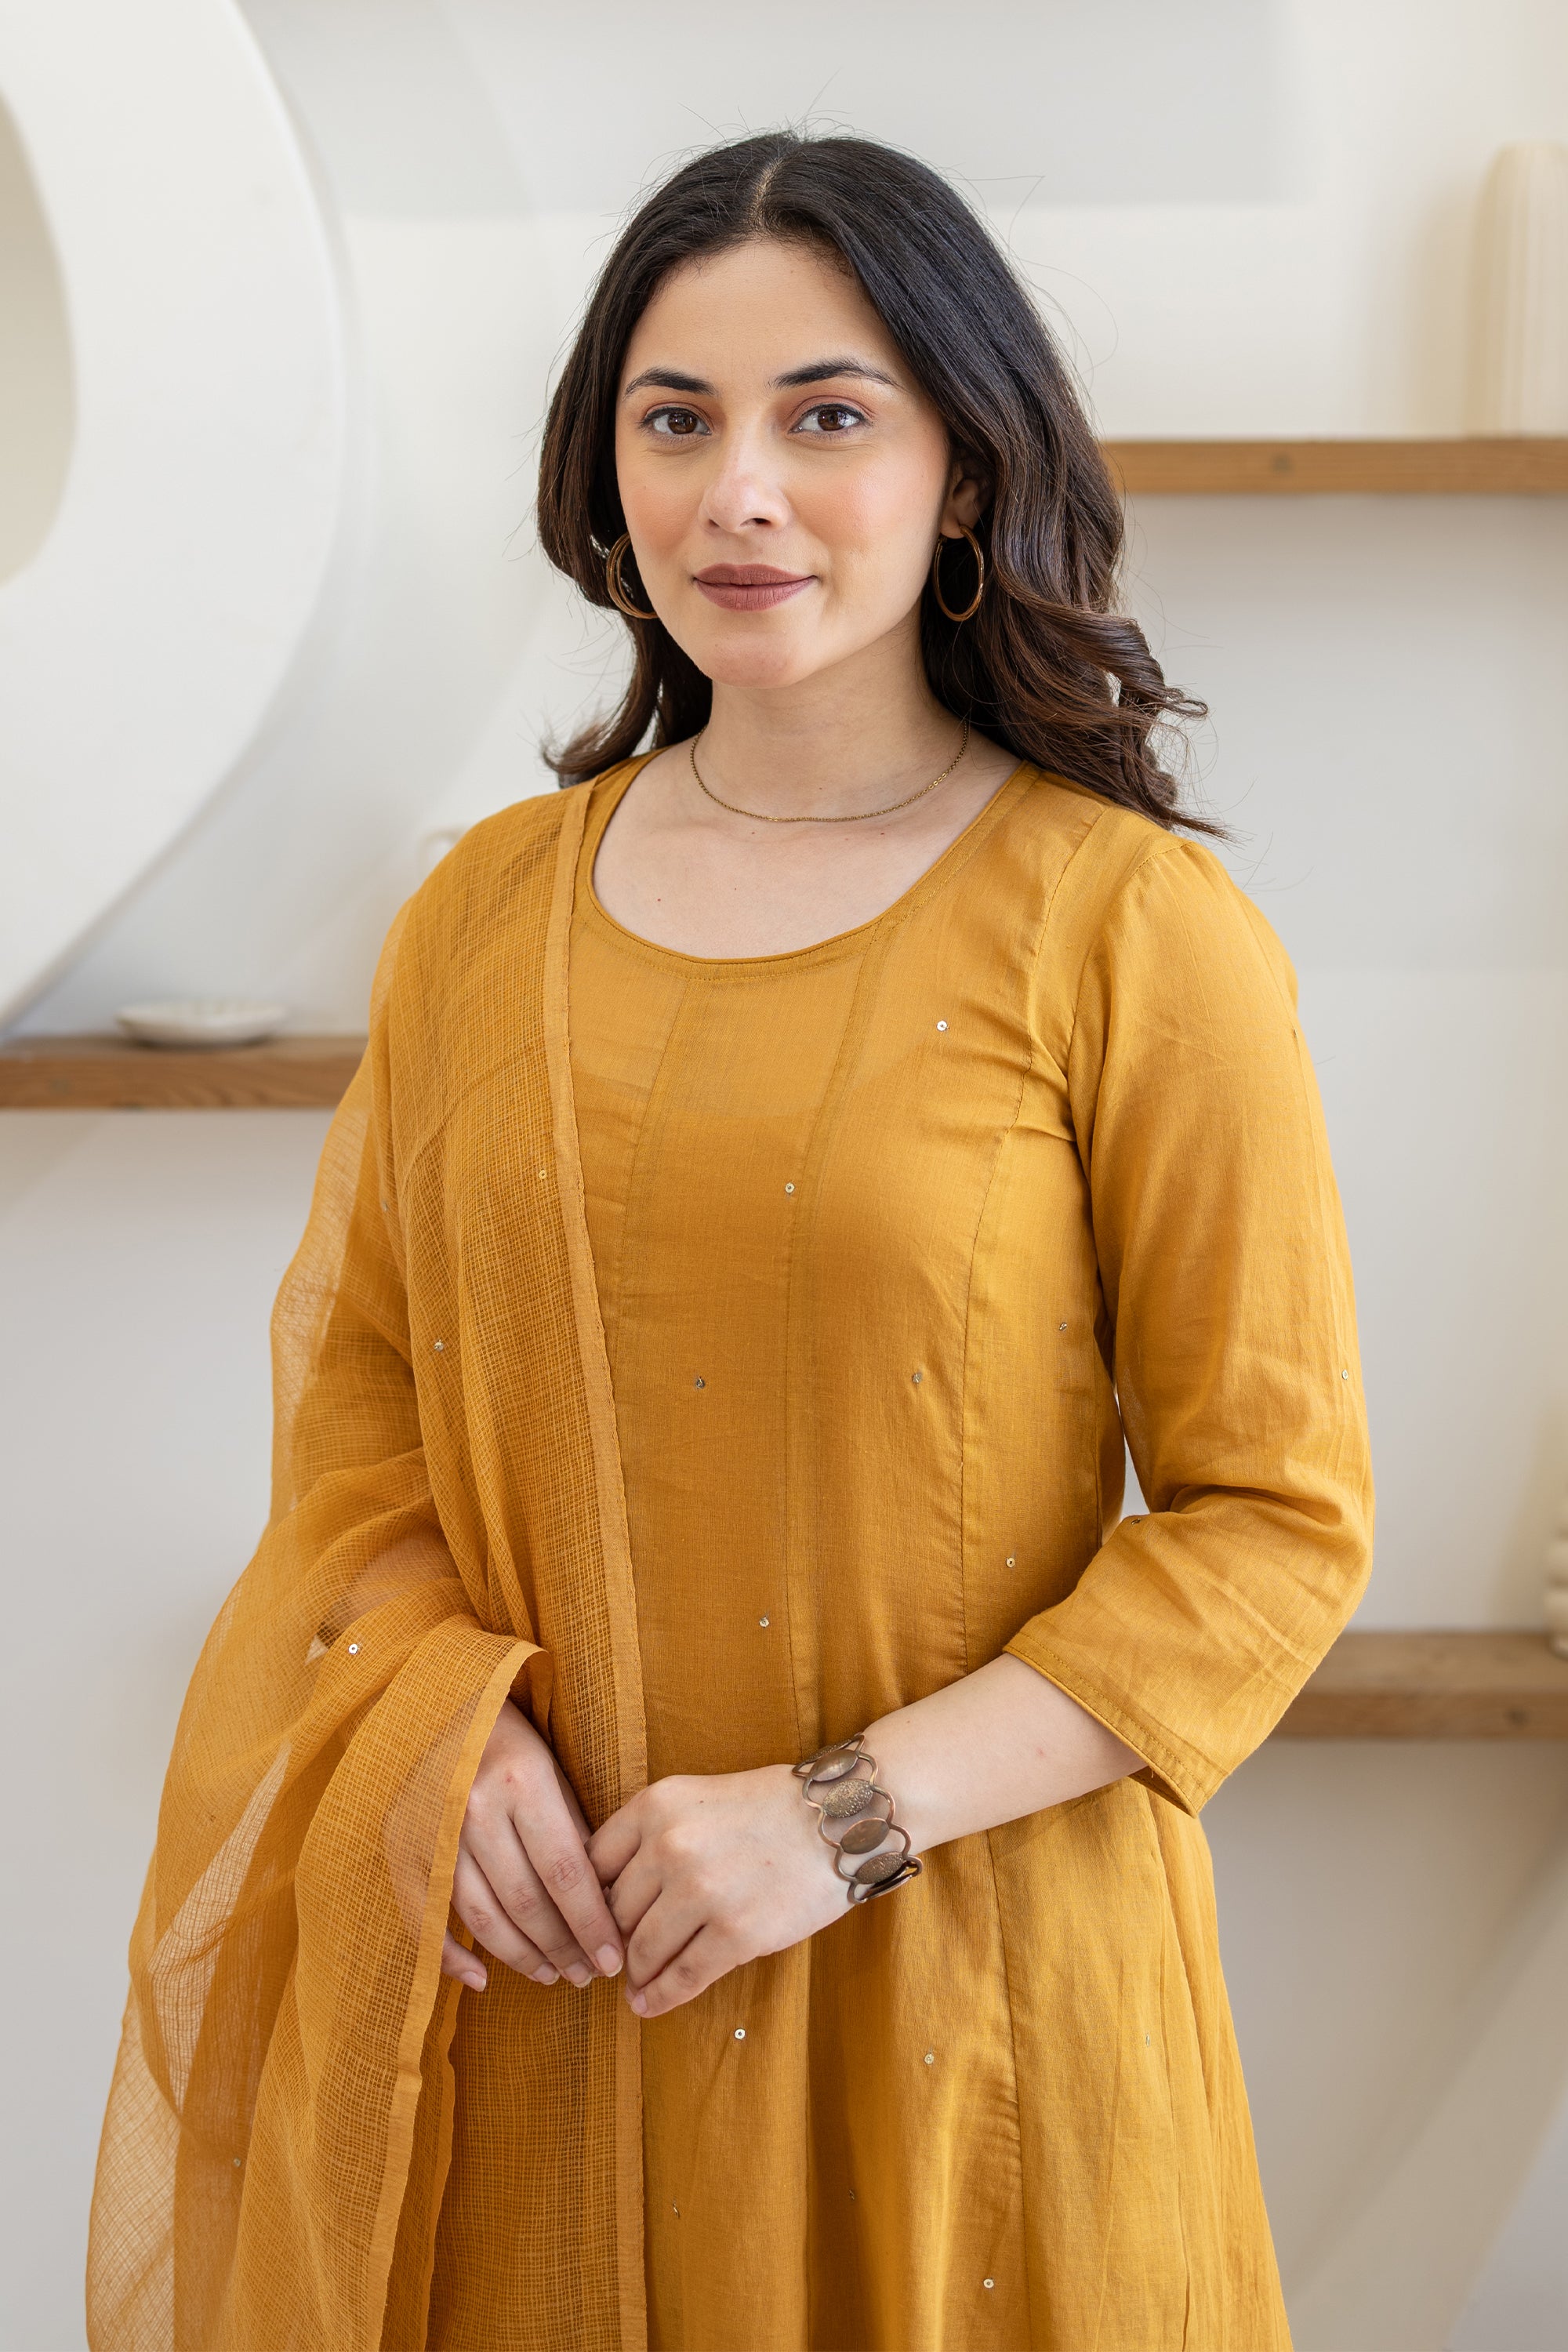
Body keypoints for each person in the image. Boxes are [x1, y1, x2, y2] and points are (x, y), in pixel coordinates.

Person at [89, 131, 1373, 2352]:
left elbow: (1275, 1524)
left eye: (828, 416)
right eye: (673, 420)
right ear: (606, 477)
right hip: (544, 1982)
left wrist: (842, 1818)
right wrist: (441, 1730)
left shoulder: (1132, 928)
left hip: (960, 2015)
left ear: (965, 471)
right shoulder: (482, 918)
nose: (738, 494)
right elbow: (366, 1421)